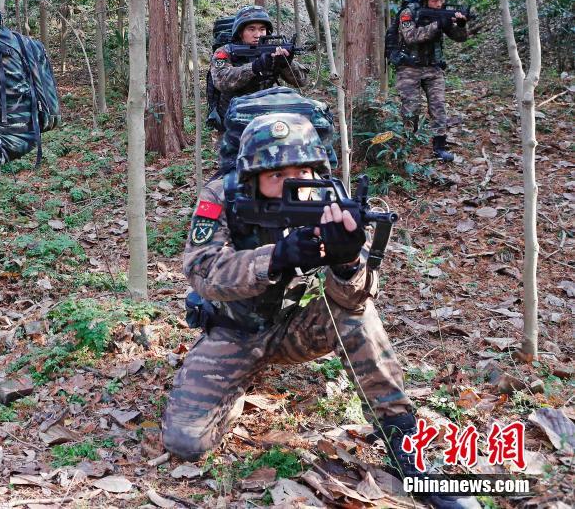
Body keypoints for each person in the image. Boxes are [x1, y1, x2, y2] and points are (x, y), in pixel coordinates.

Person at [163, 113, 478, 509]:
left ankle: (406, 450)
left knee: (358, 317)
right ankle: (238, 382)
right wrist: (276, 257)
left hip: (298, 325)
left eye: (301, 171)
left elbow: (356, 298)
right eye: (276, 174)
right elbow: (202, 271)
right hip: (233, 330)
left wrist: (347, 263)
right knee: (185, 442)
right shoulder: (223, 195)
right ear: (252, 175)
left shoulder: (332, 200)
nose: (292, 183)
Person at [394, 0, 468, 162]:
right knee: (411, 108)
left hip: (433, 67)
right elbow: (410, 37)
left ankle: (439, 146)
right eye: (435, 0)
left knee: (438, 106)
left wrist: (460, 25)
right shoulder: (408, 13)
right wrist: (437, 25)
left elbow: (460, 38)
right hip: (409, 68)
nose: (439, 4)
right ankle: (407, 145)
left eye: (442, 0)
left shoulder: (442, 14)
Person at [207, 5, 309, 126]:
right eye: (251, 29)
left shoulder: (273, 50)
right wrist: (255, 67)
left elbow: (302, 81)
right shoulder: (225, 51)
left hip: (267, 113)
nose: (258, 34)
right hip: (235, 115)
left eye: (262, 29)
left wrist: (286, 64)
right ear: (240, 32)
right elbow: (221, 81)